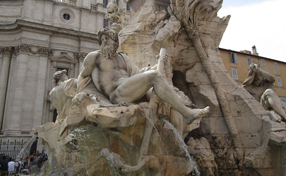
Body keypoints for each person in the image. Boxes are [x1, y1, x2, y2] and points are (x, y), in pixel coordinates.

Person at [75, 28, 209, 125]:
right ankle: (187, 113)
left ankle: (181, 125)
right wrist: (85, 96)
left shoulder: (123, 58)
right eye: (102, 40)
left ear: (116, 42)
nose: (104, 42)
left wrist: (155, 65)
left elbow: (137, 74)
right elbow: (82, 79)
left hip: (130, 89)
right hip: (117, 94)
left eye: (107, 39)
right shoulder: (94, 57)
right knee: (155, 76)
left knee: (164, 95)